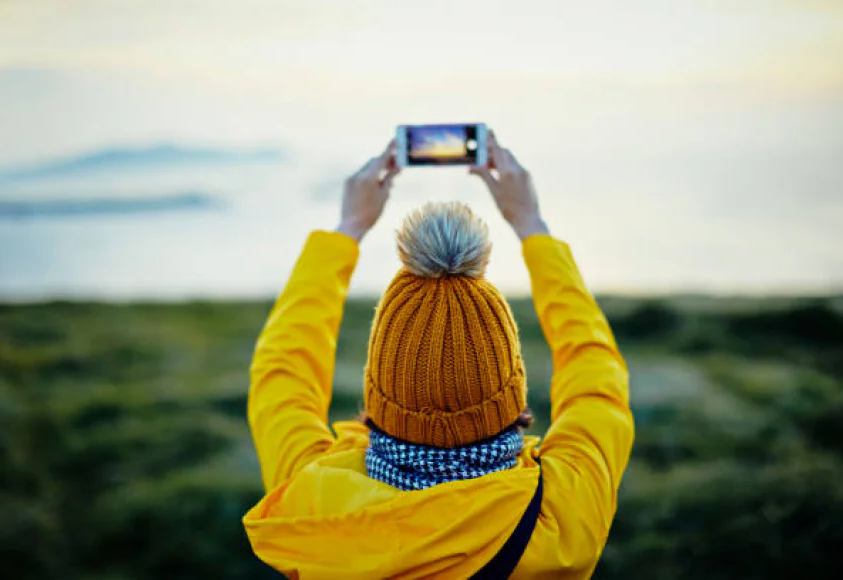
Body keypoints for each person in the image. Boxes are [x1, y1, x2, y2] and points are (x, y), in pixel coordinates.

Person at [243, 132, 634, 579]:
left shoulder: (312, 500)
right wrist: (531, 226)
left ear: (379, 389)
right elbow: (595, 373)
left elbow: (281, 373)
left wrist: (348, 228)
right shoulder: (564, 509)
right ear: (511, 388)